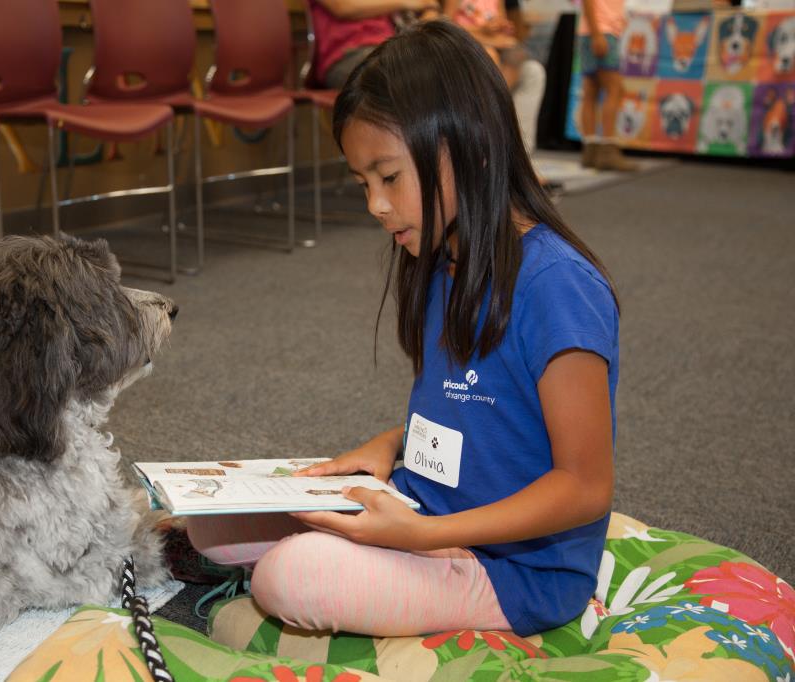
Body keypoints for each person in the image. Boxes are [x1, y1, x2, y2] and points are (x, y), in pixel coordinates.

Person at [188, 20, 619, 637]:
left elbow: (584, 486)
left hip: (512, 568)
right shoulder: (442, 258)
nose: (375, 205)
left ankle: (375, 562)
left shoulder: (558, 286)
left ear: (470, 147)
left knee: (289, 578)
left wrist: (424, 535)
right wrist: (387, 449)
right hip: (422, 513)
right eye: (364, 183)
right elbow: (479, 413)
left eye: (388, 177)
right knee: (214, 524)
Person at [445, 0, 547, 155]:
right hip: (464, 47)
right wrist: (484, 34)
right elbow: (444, 26)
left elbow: (503, 26)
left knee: (534, 70)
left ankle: (521, 154)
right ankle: (497, 138)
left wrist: (502, 28)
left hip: (496, 48)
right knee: (491, 58)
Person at [308, 0, 444, 90]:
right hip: (347, 55)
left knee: (446, 69)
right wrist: (404, 2)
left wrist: (429, 13)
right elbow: (342, 7)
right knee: (409, 80)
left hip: (389, 48)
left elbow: (427, 4)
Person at [577, 0, 638, 170]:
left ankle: (591, 151)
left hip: (594, 31)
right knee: (615, 89)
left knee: (591, 91)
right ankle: (608, 150)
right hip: (603, 31)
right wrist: (597, 34)